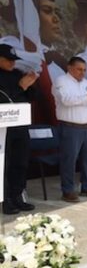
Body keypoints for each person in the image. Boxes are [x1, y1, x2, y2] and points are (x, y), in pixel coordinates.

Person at [53, 56, 87, 202]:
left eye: (84, 70)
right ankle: (68, 190)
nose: (82, 72)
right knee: (69, 160)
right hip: (70, 127)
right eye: (79, 69)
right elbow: (66, 99)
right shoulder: (61, 81)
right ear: (69, 68)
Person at [0, 44, 39, 214]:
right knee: (5, 164)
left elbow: (34, 97)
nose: (12, 63)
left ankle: (18, 197)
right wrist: (20, 87)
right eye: (8, 60)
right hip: (3, 129)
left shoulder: (17, 74)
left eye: (14, 60)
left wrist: (31, 85)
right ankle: (5, 200)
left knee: (21, 162)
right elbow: (5, 99)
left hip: (20, 126)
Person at [32, 0, 67, 126]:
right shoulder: (19, 54)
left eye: (56, 12)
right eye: (47, 11)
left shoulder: (61, 61)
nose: (55, 19)